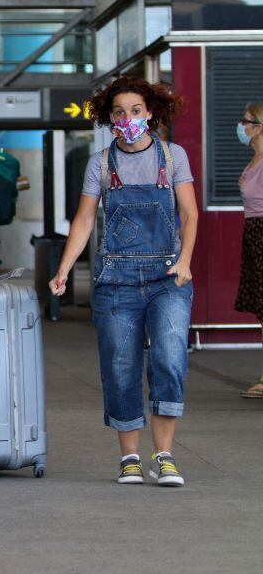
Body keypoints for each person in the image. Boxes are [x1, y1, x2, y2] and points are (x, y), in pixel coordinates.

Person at [50, 77, 197, 487]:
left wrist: (185, 262)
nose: (128, 118)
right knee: (120, 366)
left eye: (135, 111)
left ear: (150, 113)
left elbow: (190, 214)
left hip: (169, 276)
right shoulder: (100, 163)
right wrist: (63, 269)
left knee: (170, 359)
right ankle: (130, 457)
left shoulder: (173, 156)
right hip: (116, 279)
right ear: (109, 117)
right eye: (119, 112)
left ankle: (164, 456)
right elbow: (83, 221)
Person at [235, 103, 263, 398]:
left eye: (246, 121)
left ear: (259, 126)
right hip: (254, 233)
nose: (241, 127)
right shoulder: (255, 160)